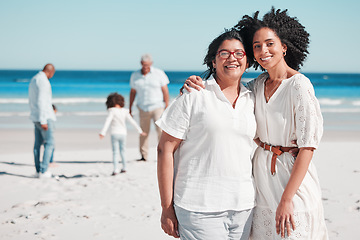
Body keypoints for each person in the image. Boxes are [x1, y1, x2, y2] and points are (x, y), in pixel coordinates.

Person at [183, 7, 328, 240]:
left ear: (284, 47)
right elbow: (228, 98)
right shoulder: (257, 85)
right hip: (260, 180)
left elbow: (308, 147)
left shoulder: (299, 85)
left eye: (270, 44)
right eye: (257, 46)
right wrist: (196, 83)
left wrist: (287, 199)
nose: (263, 51)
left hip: (291, 180)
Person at [156, 29, 256, 239]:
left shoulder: (254, 98)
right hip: (198, 208)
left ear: (247, 61)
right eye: (224, 53)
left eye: (239, 53)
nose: (232, 58)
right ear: (213, 61)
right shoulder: (194, 95)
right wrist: (166, 207)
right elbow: (164, 149)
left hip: (244, 207)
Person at [129, 54, 170, 161]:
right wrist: (130, 108)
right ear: (141, 64)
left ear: (151, 63)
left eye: (147, 65)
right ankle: (144, 155)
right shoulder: (135, 75)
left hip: (157, 107)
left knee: (161, 131)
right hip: (142, 108)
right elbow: (133, 92)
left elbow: (165, 91)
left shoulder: (159, 73)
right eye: (143, 64)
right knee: (143, 132)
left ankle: (164, 153)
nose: (145, 67)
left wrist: (167, 106)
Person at [99, 93, 146, 175]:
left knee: (115, 152)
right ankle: (124, 167)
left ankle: (116, 169)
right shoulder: (125, 111)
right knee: (123, 151)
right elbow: (132, 122)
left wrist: (103, 132)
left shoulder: (112, 111)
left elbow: (108, 121)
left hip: (114, 133)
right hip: (123, 134)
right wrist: (140, 131)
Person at [28, 63, 56, 178]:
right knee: (49, 143)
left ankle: (38, 170)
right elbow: (42, 101)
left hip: (35, 116)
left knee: (37, 144)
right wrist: (43, 120)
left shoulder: (34, 79)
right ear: (50, 71)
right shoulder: (43, 81)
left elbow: (31, 99)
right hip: (44, 117)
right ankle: (44, 171)